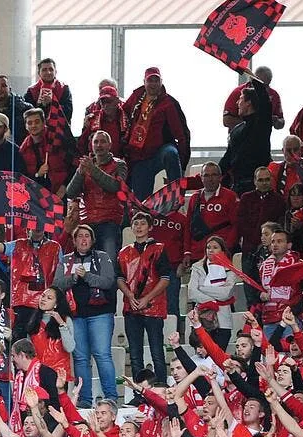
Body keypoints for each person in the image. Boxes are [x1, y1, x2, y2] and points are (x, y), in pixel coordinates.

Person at [53, 225, 117, 407]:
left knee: (102, 355)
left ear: (92, 239)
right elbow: (57, 284)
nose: (83, 239)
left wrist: (86, 276)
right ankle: (84, 399)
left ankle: (111, 398)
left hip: (101, 313)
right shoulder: (65, 260)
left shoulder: (102, 257)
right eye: (79, 236)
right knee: (80, 358)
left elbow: (108, 281)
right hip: (75, 315)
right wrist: (74, 278)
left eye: (86, 236)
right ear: (74, 241)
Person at [117, 212, 172, 383]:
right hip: (131, 307)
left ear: (150, 227)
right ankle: (140, 391)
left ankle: (161, 387)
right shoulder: (124, 252)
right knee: (135, 354)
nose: (139, 227)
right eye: (136, 224)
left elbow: (165, 278)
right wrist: (129, 295)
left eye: (142, 223)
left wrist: (147, 298)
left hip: (154, 307)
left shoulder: (159, 248)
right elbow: (119, 278)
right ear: (131, 227)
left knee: (157, 352)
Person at [123, 67, 191, 199]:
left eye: (156, 80)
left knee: (171, 153)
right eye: (150, 80)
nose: (153, 84)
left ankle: (176, 196)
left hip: (160, 152)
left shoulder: (169, 103)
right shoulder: (136, 96)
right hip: (139, 157)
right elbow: (121, 113)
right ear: (144, 82)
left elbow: (181, 134)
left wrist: (182, 164)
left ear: (161, 82)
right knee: (142, 202)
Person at [64, 130, 127, 263]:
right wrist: (80, 173)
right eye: (96, 142)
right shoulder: (86, 164)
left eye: (103, 141)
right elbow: (70, 193)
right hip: (87, 222)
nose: (99, 145)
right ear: (91, 146)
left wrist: (92, 170)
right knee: (86, 264)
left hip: (109, 222)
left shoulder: (119, 164)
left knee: (109, 264)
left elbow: (116, 186)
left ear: (110, 145)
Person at [187, 236, 238, 351]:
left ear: (222, 251)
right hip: (201, 318)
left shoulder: (230, 269)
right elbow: (192, 293)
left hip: (223, 321)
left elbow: (226, 294)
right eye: (208, 247)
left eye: (215, 247)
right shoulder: (197, 267)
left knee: (219, 357)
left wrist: (202, 288)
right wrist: (214, 301)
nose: (210, 250)